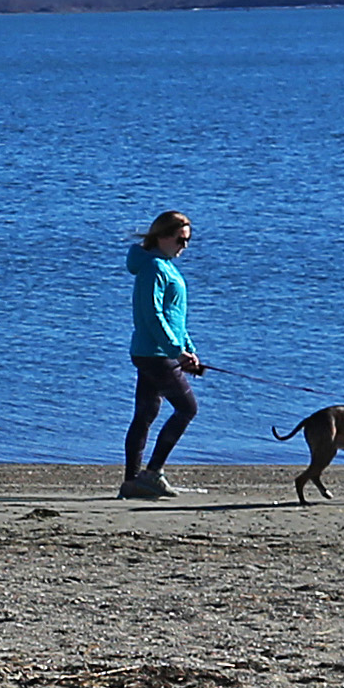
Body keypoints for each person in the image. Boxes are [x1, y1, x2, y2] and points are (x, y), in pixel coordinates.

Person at [123, 209, 204, 499]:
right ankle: (152, 473)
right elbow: (153, 316)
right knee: (187, 408)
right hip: (155, 354)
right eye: (181, 241)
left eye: (188, 241)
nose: (185, 247)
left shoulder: (165, 266)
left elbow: (174, 317)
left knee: (145, 414)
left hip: (158, 352)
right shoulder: (154, 268)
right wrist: (176, 351)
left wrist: (188, 350)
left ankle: (132, 481)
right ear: (162, 237)